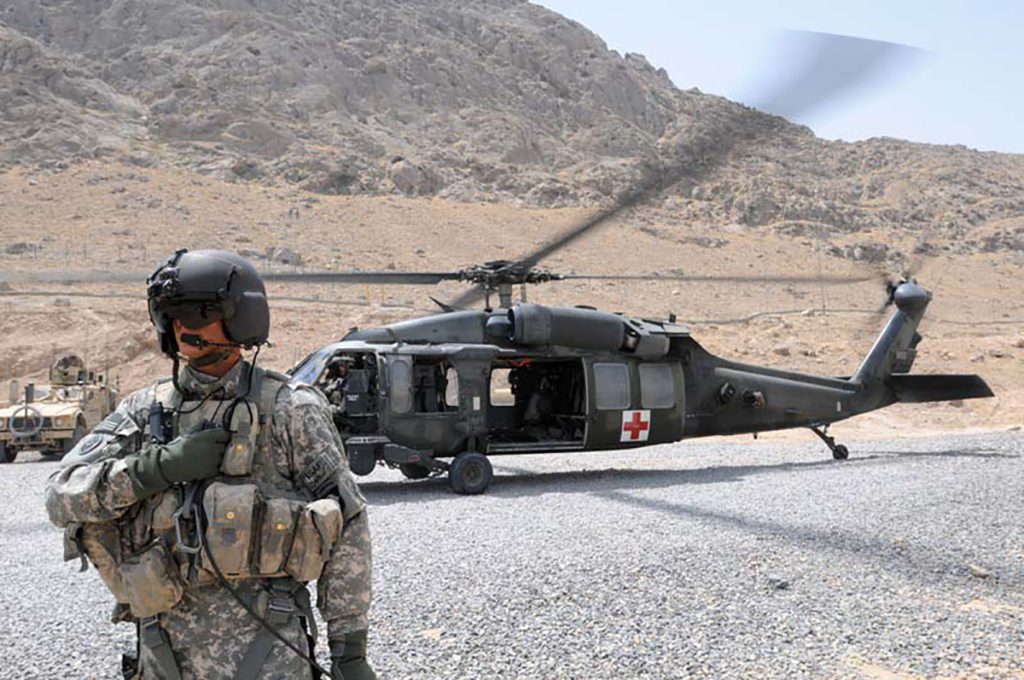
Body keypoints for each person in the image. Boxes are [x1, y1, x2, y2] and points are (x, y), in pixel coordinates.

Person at [45, 249, 375, 680]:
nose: (182, 326)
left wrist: (349, 652)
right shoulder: (144, 412)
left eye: (198, 312)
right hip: (164, 656)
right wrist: (153, 469)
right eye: (170, 314)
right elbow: (61, 496)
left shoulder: (289, 409)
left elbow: (348, 525)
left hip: (272, 656)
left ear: (241, 319)